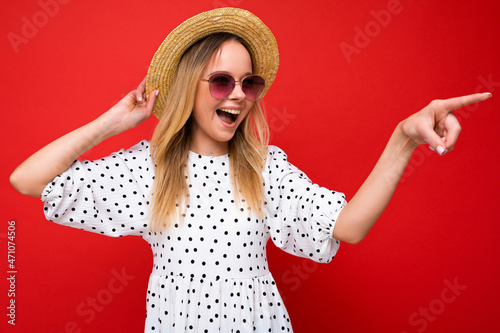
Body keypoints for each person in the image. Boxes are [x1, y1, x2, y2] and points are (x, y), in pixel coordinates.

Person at [9, 7, 492, 333]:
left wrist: (402, 138)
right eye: (220, 81)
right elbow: (26, 180)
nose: (238, 94)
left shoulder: (264, 168)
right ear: (187, 88)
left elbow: (349, 226)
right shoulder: (150, 170)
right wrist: (115, 121)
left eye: (248, 82)